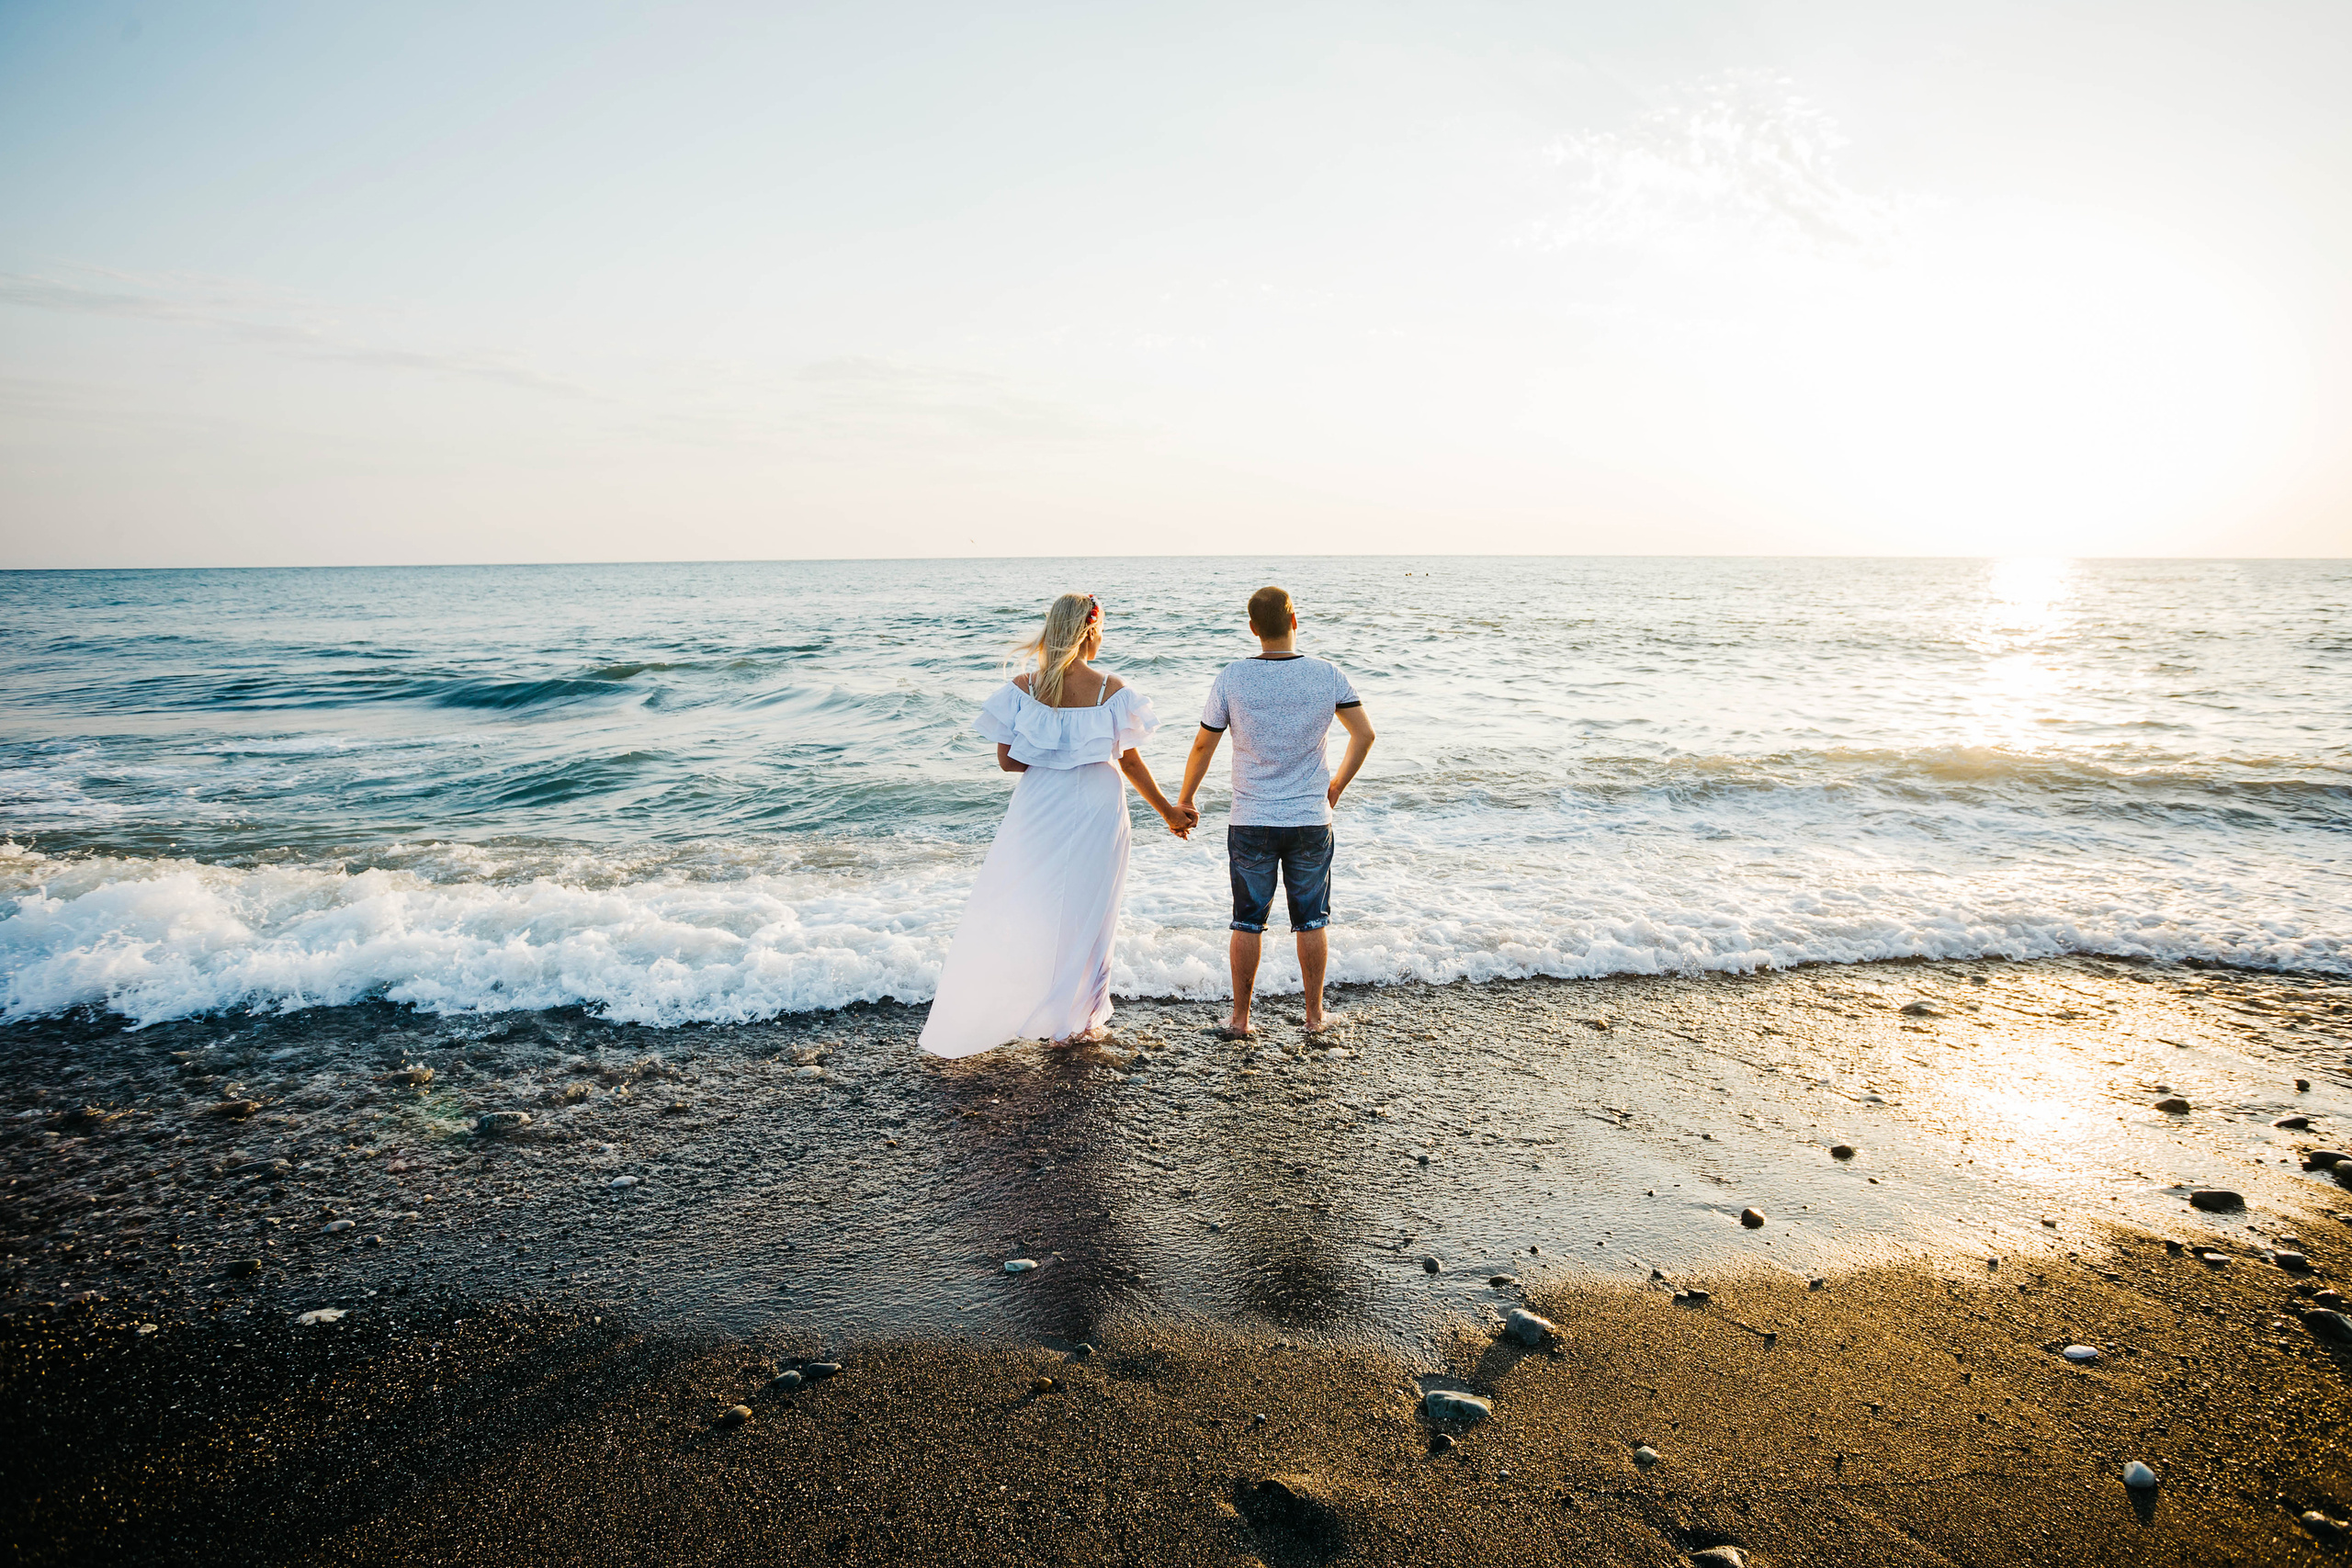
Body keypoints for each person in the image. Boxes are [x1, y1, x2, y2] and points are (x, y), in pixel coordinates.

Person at [920, 592, 1196, 1057]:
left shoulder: (1022, 689)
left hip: (1039, 804)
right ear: (1090, 630)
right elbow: (1128, 763)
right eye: (1102, 625)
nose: (1103, 633)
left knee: (1033, 905)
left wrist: (1054, 756)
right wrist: (1169, 811)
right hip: (1098, 806)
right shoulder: (1113, 690)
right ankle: (1079, 1020)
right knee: (1093, 911)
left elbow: (1009, 762)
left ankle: (1023, 1007)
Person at [1177, 584, 1374, 1038]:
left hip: (1250, 819)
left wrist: (1185, 799)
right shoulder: (1327, 674)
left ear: (1252, 629)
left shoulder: (1232, 676)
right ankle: (1314, 1018)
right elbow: (1364, 735)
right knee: (1311, 919)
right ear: (1294, 622)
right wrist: (1337, 785)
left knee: (1247, 920)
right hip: (1310, 818)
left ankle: (1241, 1020)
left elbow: (1205, 743)